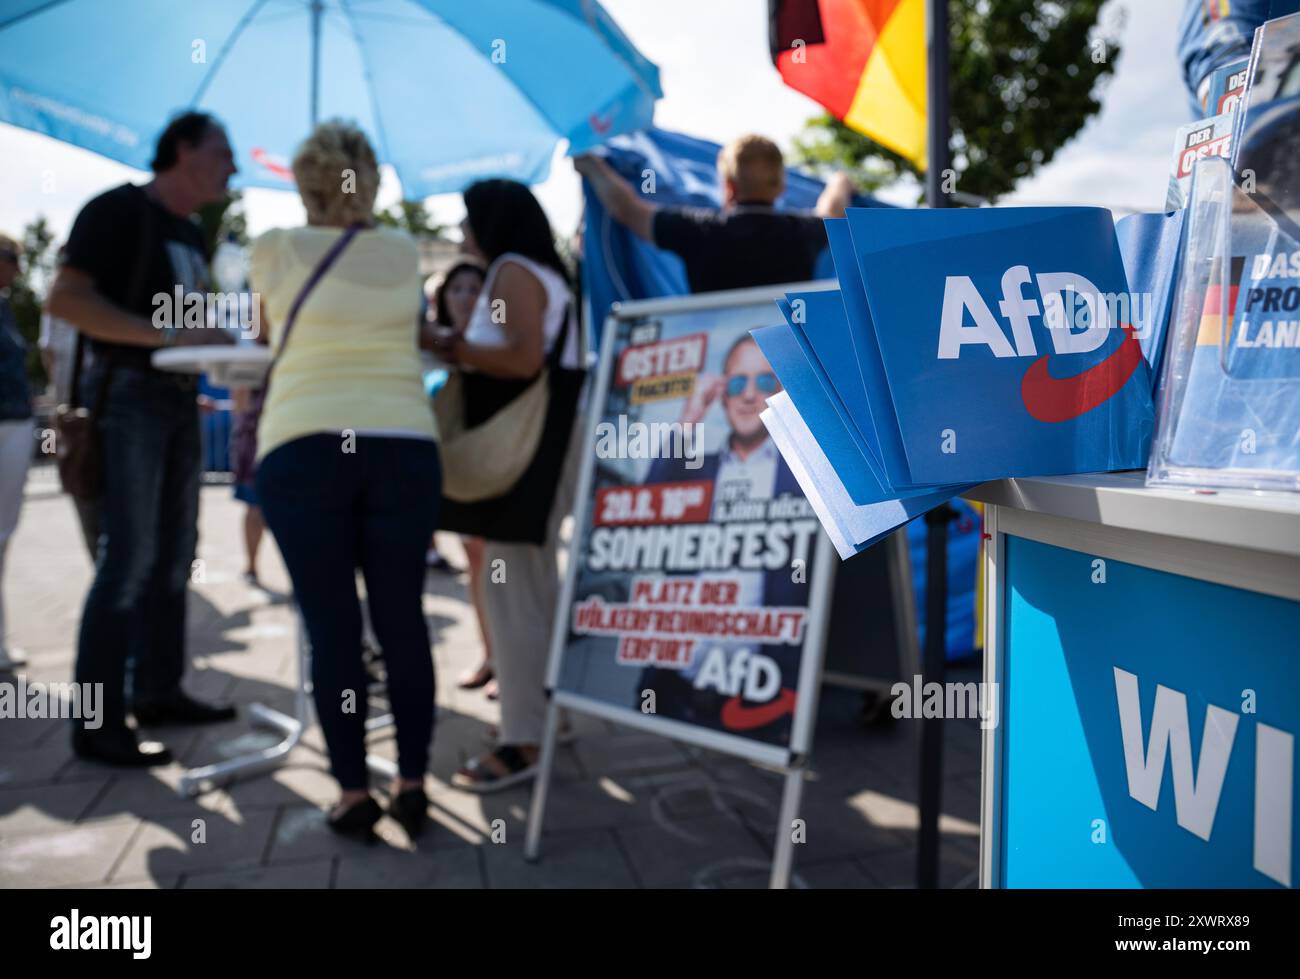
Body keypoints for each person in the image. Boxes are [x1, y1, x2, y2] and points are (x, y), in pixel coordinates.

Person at [250, 120, 442, 841]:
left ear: (305, 183)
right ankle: (415, 781)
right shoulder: (401, 250)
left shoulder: (273, 248)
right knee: (402, 620)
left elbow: (269, 334)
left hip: (303, 442)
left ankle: (353, 790)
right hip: (402, 440)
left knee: (331, 626)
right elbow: (414, 331)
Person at [46, 111, 238, 766]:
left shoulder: (189, 230)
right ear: (183, 150)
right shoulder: (116, 211)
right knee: (126, 555)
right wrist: (169, 337)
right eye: (222, 152)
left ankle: (158, 688)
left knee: (174, 551)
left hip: (178, 401)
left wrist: (211, 337)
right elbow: (65, 299)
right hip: (127, 397)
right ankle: (97, 722)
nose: (232, 166)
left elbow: (184, 321)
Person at [433, 179, 583, 793]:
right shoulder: (540, 270)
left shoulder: (513, 270)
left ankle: (522, 741)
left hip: (531, 455)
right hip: (548, 445)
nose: (463, 232)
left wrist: (445, 343)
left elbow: (521, 360)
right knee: (532, 587)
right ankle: (550, 717)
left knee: (514, 592)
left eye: (468, 220)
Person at [575, 133, 853, 293]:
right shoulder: (804, 233)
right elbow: (834, 211)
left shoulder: (698, 230)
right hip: (788, 370)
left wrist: (590, 165)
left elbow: (628, 209)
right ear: (781, 187)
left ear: (728, 186)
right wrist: (842, 180)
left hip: (715, 371)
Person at [424, 260, 499, 694]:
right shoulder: (431, 353)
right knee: (476, 561)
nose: (467, 297)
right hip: (455, 470)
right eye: (458, 289)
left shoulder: (497, 345)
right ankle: (491, 654)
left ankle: (513, 662)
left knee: (498, 565)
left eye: (476, 288)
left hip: (493, 471)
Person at [0, 232, 33, 671]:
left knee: (3, 538)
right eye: (10, 258)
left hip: (14, 425)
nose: (17, 268)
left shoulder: (6, 307)